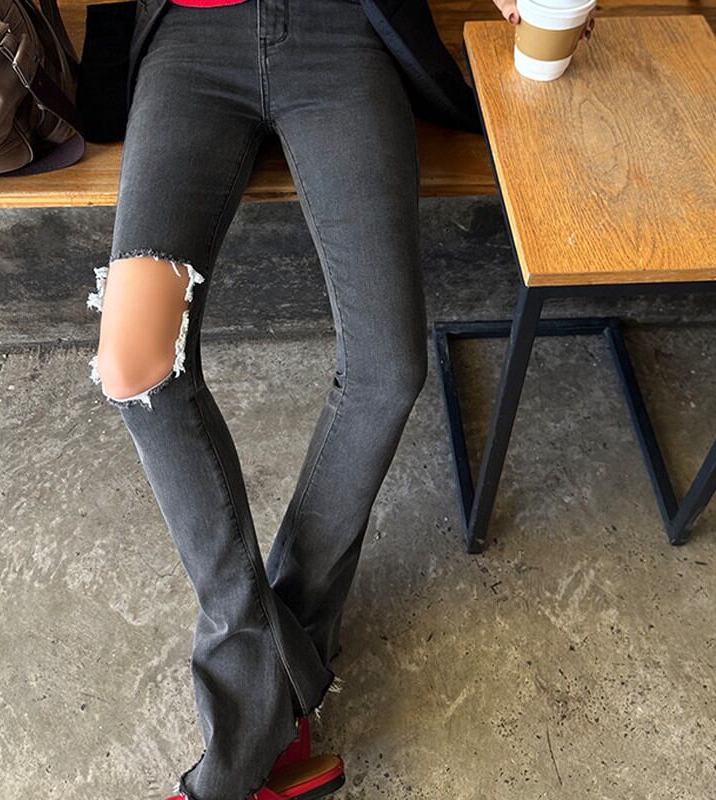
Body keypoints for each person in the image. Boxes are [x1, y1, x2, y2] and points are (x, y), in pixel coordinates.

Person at [85, 2, 595, 800]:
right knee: (133, 366)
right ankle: (274, 705)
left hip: (340, 38)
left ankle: (252, 728)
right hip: (190, 45)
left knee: (387, 369)